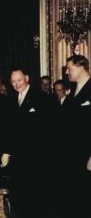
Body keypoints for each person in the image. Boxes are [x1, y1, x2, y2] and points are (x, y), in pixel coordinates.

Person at [9, 69, 54, 217]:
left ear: (27, 78)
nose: (16, 84)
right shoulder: (12, 99)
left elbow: (49, 130)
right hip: (19, 158)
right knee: (22, 198)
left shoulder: (41, 98)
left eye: (19, 80)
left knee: (36, 199)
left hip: (37, 158)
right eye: (13, 82)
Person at [62, 55, 91, 218]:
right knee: (74, 200)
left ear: (81, 67)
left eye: (69, 68)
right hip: (71, 156)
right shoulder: (72, 91)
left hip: (86, 155)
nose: (67, 72)